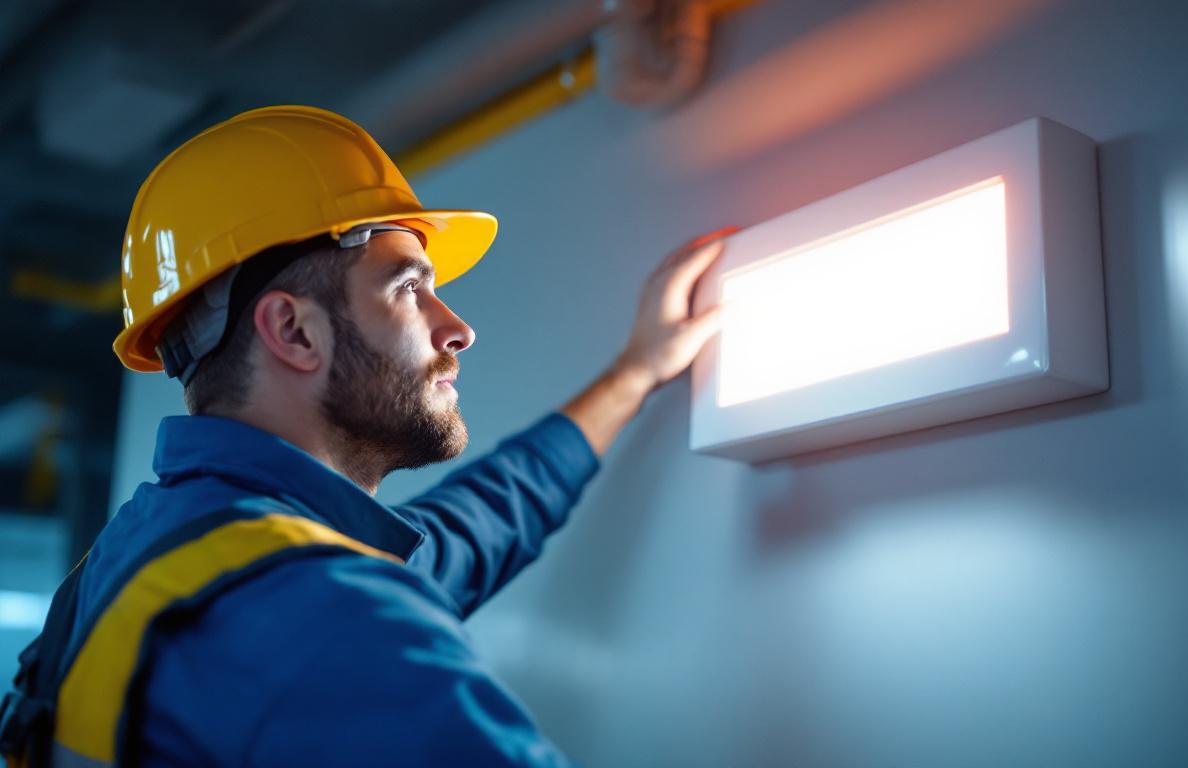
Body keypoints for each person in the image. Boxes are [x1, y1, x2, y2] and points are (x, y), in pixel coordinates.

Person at [0, 105, 730, 767]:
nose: (458, 329)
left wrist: (634, 375)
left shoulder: (159, 555)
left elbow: (475, 523)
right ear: (293, 330)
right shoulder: (317, 616)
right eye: (410, 288)